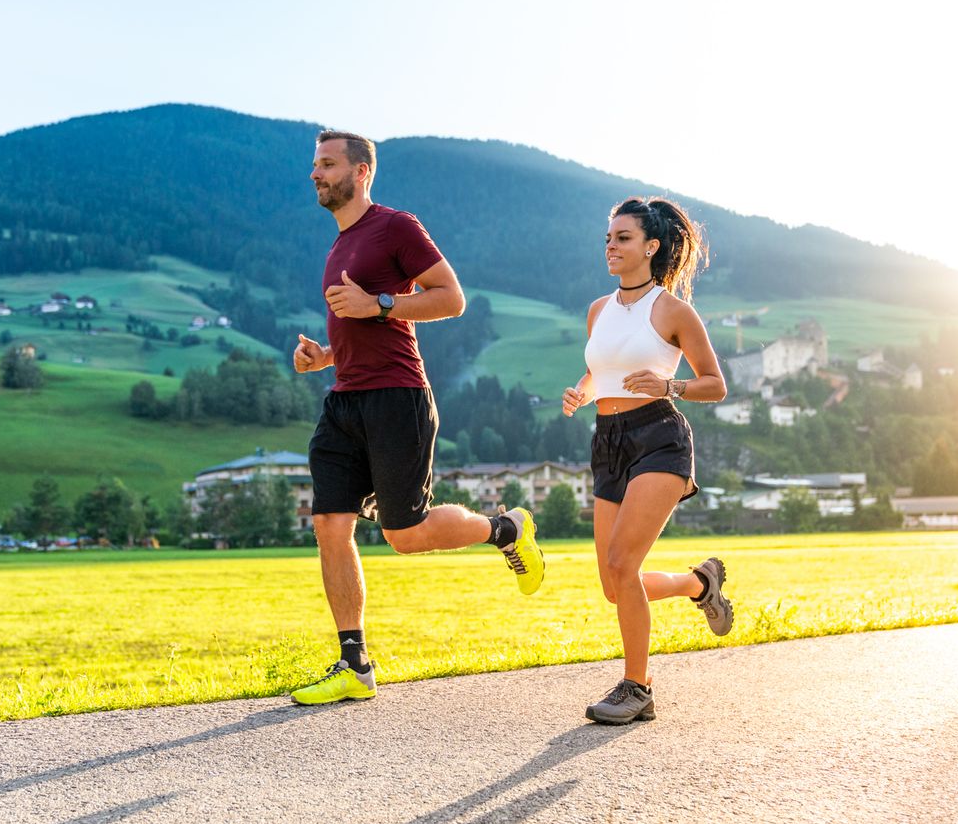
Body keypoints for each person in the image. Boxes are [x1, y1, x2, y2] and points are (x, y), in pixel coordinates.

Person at [289, 130, 545, 705]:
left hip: (397, 397)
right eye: (314, 165)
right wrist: (325, 356)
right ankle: (353, 664)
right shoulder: (338, 245)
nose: (315, 174)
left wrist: (379, 303)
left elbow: (450, 298)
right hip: (344, 399)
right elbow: (358, 324)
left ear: (361, 172)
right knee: (330, 523)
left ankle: (505, 529)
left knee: (403, 535)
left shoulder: (396, 227)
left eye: (327, 164)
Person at [562, 196, 732, 725]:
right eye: (608, 238)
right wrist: (584, 391)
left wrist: (670, 384)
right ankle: (698, 584)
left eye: (623, 238)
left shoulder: (673, 310)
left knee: (622, 565)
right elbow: (605, 367)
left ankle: (638, 687)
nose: (610, 246)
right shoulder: (598, 309)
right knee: (615, 587)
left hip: (658, 436)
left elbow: (715, 385)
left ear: (651, 247)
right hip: (607, 439)